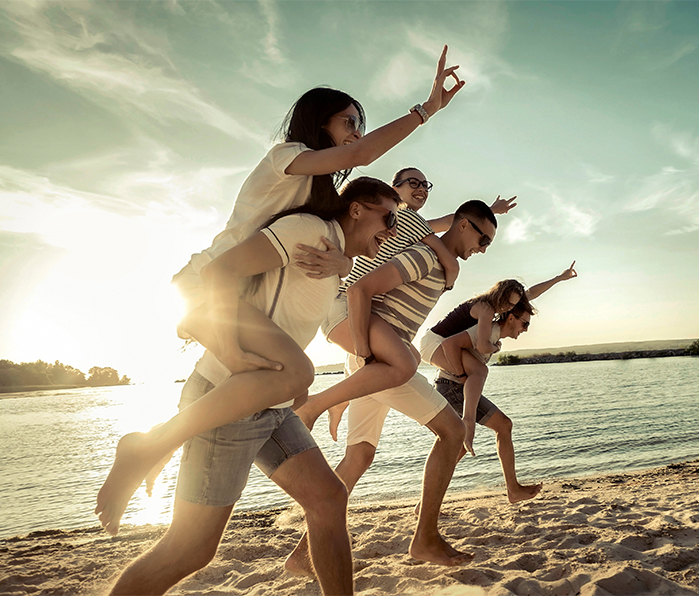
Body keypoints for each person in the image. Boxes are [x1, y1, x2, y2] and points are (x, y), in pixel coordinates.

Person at [96, 45, 465, 535]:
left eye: (360, 122)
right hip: (209, 284)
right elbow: (358, 156)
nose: (356, 131)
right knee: (292, 373)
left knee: (266, 383)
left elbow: (353, 235)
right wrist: (426, 109)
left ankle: (159, 447)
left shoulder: (322, 196)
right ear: (319, 122)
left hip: (236, 294)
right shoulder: (286, 157)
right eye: (349, 120)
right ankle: (150, 445)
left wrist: (346, 259)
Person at [106, 177, 401, 596]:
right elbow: (221, 270)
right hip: (232, 398)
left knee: (328, 500)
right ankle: (150, 445)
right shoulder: (308, 231)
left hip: (272, 405)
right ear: (356, 209)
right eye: (388, 217)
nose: (391, 230)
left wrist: (345, 269)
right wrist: (228, 348)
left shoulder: (334, 257)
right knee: (189, 550)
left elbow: (286, 319)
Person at [285, 199, 500, 573]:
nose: (482, 250)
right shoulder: (425, 258)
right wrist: (367, 356)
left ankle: (304, 554)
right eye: (484, 240)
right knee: (451, 432)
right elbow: (361, 289)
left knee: (359, 457)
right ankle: (425, 539)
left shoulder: (441, 263)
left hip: (378, 357)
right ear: (464, 225)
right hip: (380, 360)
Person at [294, 166, 516, 439]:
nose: (422, 188)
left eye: (426, 184)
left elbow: (448, 223)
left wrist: (487, 213)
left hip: (359, 303)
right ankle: (318, 403)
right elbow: (445, 236)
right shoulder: (405, 218)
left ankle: (341, 397)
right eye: (413, 182)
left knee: (411, 357)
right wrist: (451, 269)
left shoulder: (409, 224)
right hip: (349, 301)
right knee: (404, 364)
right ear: (394, 188)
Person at [419, 263, 578, 503]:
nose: (525, 329)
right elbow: (453, 345)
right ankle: (427, 501)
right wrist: (471, 370)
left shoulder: (494, 321)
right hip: (445, 373)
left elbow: (530, 294)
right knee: (457, 439)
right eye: (524, 323)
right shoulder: (485, 318)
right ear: (510, 316)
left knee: (502, 426)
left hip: (456, 382)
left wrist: (559, 278)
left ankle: (512, 489)